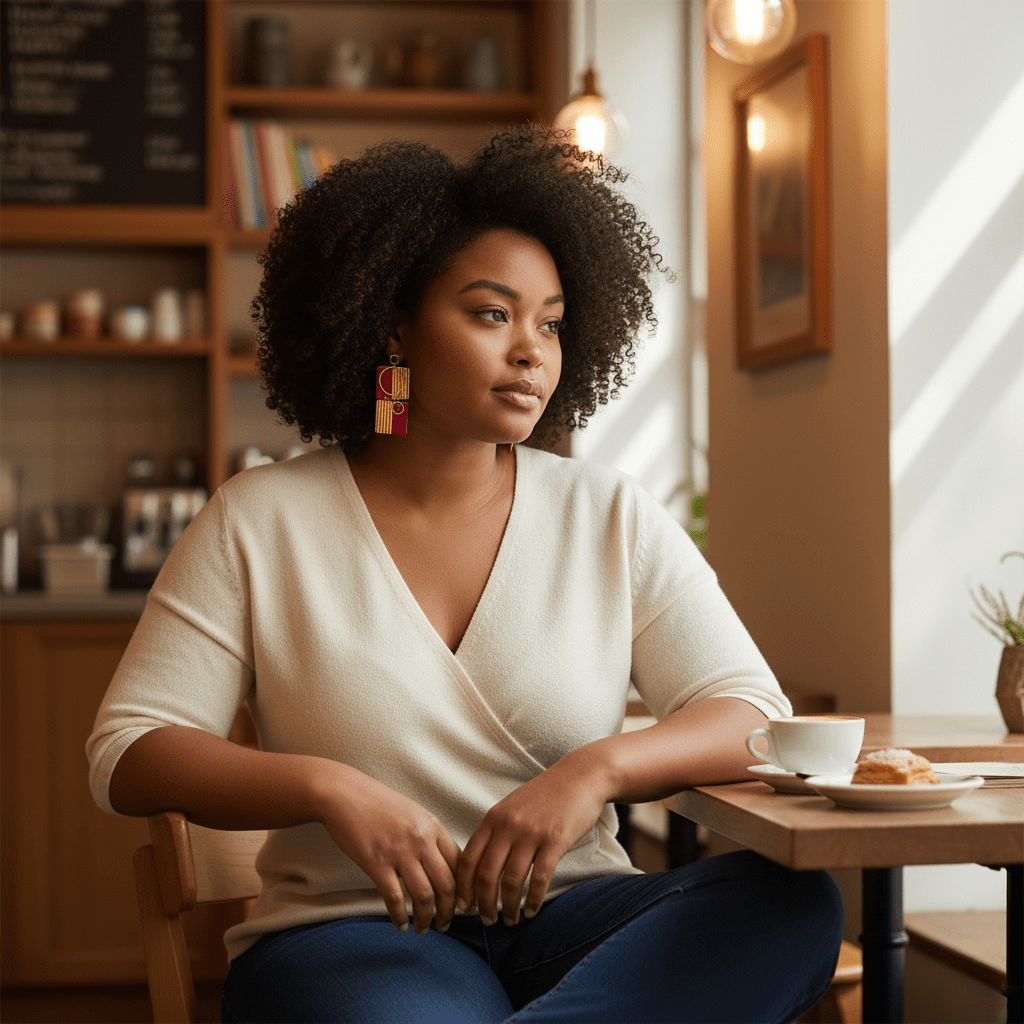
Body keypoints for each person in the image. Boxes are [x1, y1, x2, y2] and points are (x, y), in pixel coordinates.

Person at [88, 126, 843, 1024]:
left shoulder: (607, 514)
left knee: (791, 902)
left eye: (552, 323)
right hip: (358, 937)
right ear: (394, 323)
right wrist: (327, 788)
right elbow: (129, 750)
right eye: (492, 314)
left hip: (575, 921)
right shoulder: (260, 519)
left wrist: (594, 772)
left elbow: (751, 714)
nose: (532, 350)